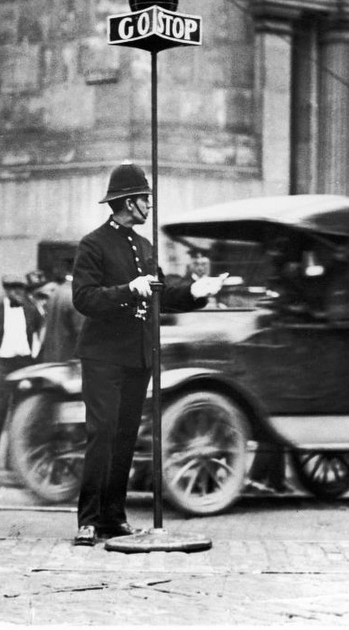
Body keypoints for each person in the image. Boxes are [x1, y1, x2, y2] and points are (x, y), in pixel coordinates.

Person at [70, 162, 225, 546]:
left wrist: (195, 292)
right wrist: (127, 289)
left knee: (124, 437)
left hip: (138, 356)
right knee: (102, 433)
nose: (149, 206)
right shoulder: (93, 244)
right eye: (145, 198)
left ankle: (112, 518)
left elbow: (162, 295)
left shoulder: (144, 246)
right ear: (127, 202)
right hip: (104, 356)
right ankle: (88, 520)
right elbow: (84, 298)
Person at [0, 275, 43, 478]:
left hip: (24, 367)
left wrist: (33, 367)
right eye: (13, 289)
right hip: (1, 368)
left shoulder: (32, 312)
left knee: (19, 416)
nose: (17, 293)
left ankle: (13, 462)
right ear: (5, 290)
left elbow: (41, 338)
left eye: (20, 289)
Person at [39, 260, 85, 363]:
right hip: (70, 364)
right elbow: (82, 335)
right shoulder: (76, 295)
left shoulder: (56, 292)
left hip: (52, 360)